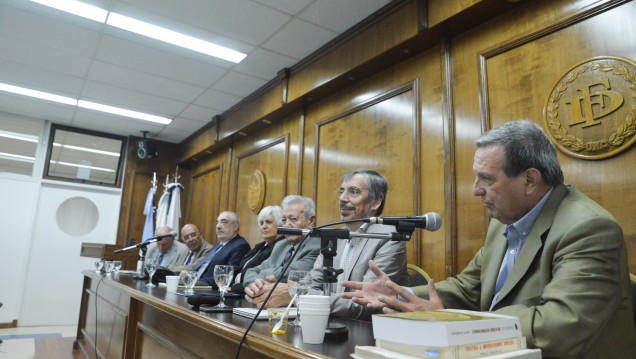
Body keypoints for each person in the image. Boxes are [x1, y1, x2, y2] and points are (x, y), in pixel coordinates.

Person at [341, 120, 636, 358]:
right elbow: (468, 286)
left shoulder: (588, 228)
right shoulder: (503, 223)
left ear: (530, 180)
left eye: (487, 179)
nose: (475, 190)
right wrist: (398, 295)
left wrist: (452, 323)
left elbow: (559, 326)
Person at [246, 169, 409, 320]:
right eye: (342, 191)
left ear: (375, 202)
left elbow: (364, 304)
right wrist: (266, 288)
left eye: (354, 191)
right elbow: (311, 283)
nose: (343, 198)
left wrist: (295, 295)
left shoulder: (389, 238)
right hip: (326, 321)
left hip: (369, 331)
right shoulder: (334, 237)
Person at [243, 195, 321, 304]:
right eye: (284, 220)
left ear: (311, 221)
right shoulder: (281, 245)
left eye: (293, 219)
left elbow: (291, 273)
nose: (287, 225)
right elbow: (251, 271)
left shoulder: (317, 245)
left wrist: (264, 274)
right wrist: (255, 286)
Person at [230, 205, 286, 294]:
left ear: (280, 224)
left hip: (247, 292)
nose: (264, 226)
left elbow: (264, 278)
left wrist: (234, 288)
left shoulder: (280, 247)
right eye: (261, 223)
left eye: (268, 222)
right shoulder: (259, 247)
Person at [195, 211, 251, 288]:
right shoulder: (218, 245)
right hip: (195, 284)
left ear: (235, 227)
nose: (218, 226)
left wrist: (197, 282)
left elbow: (228, 277)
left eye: (224, 222)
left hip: (208, 289)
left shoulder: (240, 245)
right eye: (217, 222)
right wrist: (188, 274)